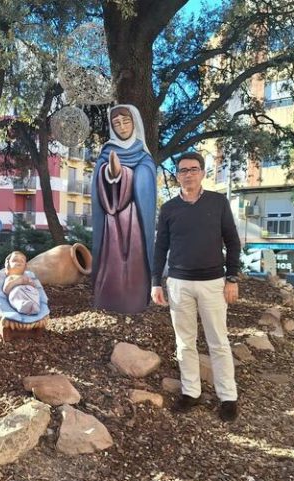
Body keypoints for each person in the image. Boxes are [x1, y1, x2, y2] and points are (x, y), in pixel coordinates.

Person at [151, 151, 241, 422]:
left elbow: (233, 242)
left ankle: (228, 397)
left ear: (202, 172)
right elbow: (160, 248)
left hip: (213, 283)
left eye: (193, 169)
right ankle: (191, 393)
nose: (188, 174)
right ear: (177, 175)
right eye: (182, 170)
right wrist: (156, 282)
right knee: (184, 343)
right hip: (179, 284)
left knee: (219, 342)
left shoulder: (218, 202)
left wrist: (232, 278)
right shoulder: (169, 209)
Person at [90, 104, 157, 313]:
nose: (122, 126)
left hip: (136, 218)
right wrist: (112, 174)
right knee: (112, 259)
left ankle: (135, 300)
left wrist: (126, 174)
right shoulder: (107, 151)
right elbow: (100, 178)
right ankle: (109, 298)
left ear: (134, 122)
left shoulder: (144, 155)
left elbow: (146, 177)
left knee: (135, 257)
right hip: (112, 218)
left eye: (126, 121)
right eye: (116, 123)